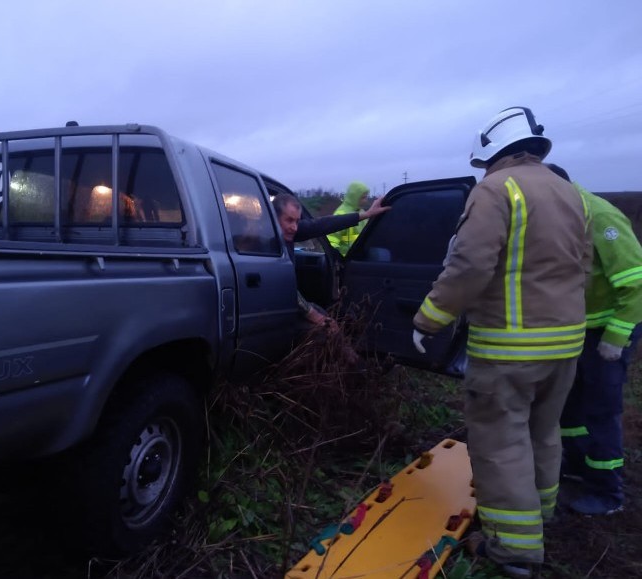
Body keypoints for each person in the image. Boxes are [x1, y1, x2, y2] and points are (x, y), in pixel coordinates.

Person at [411, 107, 592, 578]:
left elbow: (469, 265)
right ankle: (540, 515)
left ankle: (512, 552)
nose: (483, 171)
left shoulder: (496, 190)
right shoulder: (569, 192)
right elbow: (582, 267)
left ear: (493, 150)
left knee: (501, 443)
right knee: (543, 432)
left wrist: (429, 319)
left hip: (510, 350)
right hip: (566, 345)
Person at [546, 163, 642, 516]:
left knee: (601, 407)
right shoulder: (562, 215)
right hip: (579, 330)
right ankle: (578, 464)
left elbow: (637, 283)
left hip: (610, 330)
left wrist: (616, 338)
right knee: (569, 405)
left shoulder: (600, 217)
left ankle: (607, 492)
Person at [272, 191, 388, 330]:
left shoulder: (289, 232)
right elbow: (286, 288)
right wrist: (313, 314)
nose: (295, 227)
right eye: (289, 220)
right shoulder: (263, 243)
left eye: (297, 221)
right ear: (273, 218)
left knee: (329, 322)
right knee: (327, 329)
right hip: (273, 310)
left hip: (285, 307)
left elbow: (323, 224)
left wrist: (366, 215)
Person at [327, 181, 371, 256]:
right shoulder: (341, 214)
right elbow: (331, 240)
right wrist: (337, 258)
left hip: (359, 257)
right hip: (346, 260)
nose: (365, 200)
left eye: (366, 197)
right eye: (363, 198)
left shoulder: (361, 211)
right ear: (354, 197)